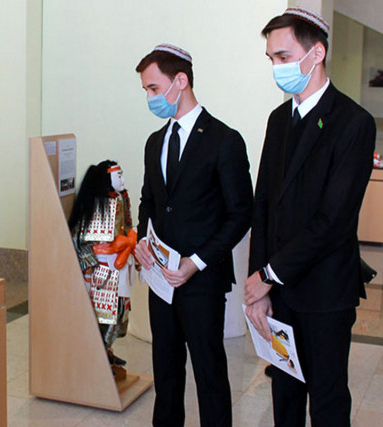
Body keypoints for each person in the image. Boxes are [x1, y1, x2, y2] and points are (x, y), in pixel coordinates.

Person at [244, 7, 376, 427]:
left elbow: (333, 222)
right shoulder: (278, 120)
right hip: (279, 292)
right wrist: (258, 286)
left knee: (327, 399)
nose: (276, 68)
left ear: (316, 53)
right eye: (272, 59)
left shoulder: (353, 122)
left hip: (324, 293)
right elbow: (263, 205)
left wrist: (268, 274)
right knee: (284, 395)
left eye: (283, 57)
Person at [134, 44, 253, 426]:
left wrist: (196, 262)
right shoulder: (155, 142)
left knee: (209, 373)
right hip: (161, 280)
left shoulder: (224, 140)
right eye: (146, 90)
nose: (150, 97)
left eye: (154, 88)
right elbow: (149, 201)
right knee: (166, 373)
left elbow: (241, 214)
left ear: (180, 81)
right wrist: (141, 240)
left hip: (201, 280)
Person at [68, 160, 137, 370]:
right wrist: (89, 265)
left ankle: (107, 351)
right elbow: (80, 239)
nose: (123, 180)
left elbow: (126, 227)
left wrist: (131, 245)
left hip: (120, 263)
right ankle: (97, 357)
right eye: (119, 176)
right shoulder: (96, 205)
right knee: (104, 314)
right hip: (101, 268)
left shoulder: (121, 199)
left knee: (120, 311)